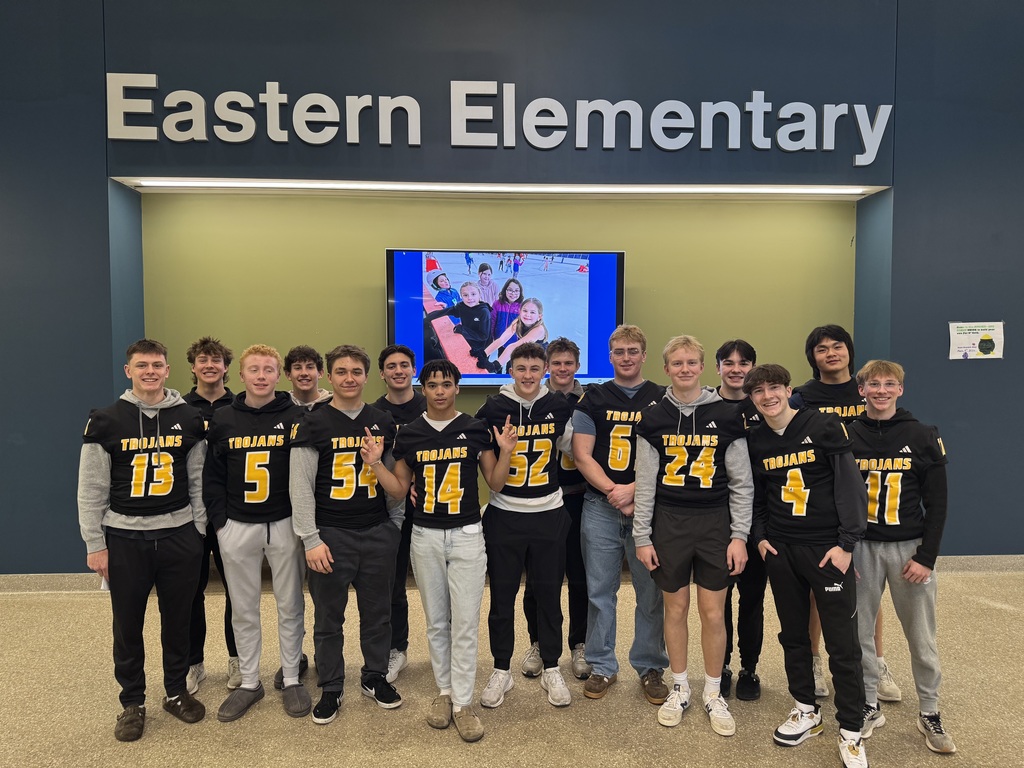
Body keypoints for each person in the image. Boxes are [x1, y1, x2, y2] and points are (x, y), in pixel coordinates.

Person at [372, 360, 516, 743]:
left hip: (468, 533)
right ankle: (445, 692)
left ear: (456, 387)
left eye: (446, 384)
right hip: (426, 535)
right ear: (423, 388)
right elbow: (400, 490)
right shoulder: (412, 433)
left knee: (465, 619)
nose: (439, 390)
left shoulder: (473, 427)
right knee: (437, 620)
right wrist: (374, 465)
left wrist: (505, 452)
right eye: (432, 384)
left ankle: (464, 701)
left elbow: (496, 484)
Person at [78, 338, 208, 741]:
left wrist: (199, 531)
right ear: (128, 371)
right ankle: (132, 701)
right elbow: (91, 488)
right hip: (125, 538)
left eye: (157, 364)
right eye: (141, 365)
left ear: (168, 371)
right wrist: (94, 544)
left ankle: (174, 691)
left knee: (179, 619)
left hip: (178, 535)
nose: (149, 371)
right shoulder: (105, 420)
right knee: (127, 624)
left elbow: (199, 480)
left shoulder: (189, 418)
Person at [744, 363, 868, 768]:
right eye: (758, 391)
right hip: (781, 549)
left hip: (826, 548)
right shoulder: (757, 438)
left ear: (788, 388)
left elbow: (850, 484)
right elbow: (760, 495)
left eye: (774, 387)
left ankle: (851, 728)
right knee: (794, 634)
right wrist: (761, 537)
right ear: (752, 398)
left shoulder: (824, 426)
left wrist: (847, 544)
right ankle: (806, 709)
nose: (767, 396)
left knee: (842, 642)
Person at [633, 335, 752, 736]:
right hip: (670, 522)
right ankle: (680, 686)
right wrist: (642, 537)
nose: (684, 369)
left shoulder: (727, 414)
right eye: (677, 363)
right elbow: (645, 484)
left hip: (715, 522)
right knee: (676, 608)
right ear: (665, 369)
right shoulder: (653, 417)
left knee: (713, 611)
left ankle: (713, 691)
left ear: (703, 367)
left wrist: (740, 536)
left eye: (691, 363)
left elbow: (741, 482)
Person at [289, 345, 404, 725]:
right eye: (341, 371)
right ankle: (332, 685)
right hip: (331, 534)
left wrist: (394, 525)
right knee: (328, 618)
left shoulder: (382, 420)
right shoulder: (314, 422)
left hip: (375, 530)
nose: (349, 378)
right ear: (330, 376)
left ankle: (374, 677)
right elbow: (301, 486)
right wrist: (310, 538)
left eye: (356, 371)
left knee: (378, 613)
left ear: (367, 376)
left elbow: (393, 476)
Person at [848, 360, 956, 754]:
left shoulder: (923, 434)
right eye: (872, 384)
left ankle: (929, 710)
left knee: (921, 636)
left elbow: (938, 502)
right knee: (859, 636)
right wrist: (846, 549)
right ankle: (869, 703)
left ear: (900, 390)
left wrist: (927, 556)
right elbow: (837, 497)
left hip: (909, 549)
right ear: (861, 390)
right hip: (861, 548)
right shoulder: (847, 435)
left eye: (888, 384)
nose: (880, 390)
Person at [792, 325, 900, 702]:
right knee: (819, 591)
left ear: (849, 351)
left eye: (837, 346)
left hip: (867, 501)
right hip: (821, 505)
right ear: (813, 357)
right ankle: (814, 660)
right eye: (822, 349)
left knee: (869, 591)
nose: (831, 353)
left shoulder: (868, 388)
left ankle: (876, 662)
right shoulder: (802, 397)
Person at [203, 344, 310, 722]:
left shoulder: (297, 416)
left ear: (278, 375)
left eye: (268, 369)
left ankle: (293, 676)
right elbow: (211, 474)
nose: (261, 376)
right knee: (243, 607)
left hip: (283, 523)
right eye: (254, 369)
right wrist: (220, 523)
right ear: (242, 375)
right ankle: (250, 681)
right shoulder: (224, 417)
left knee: (290, 603)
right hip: (238, 525)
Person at [572, 324, 669, 704]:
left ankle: (650, 666)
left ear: (644, 355)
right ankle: (601, 665)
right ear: (609, 356)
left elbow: (671, 456)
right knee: (599, 590)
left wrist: (635, 490)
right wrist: (614, 490)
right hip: (601, 506)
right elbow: (582, 454)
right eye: (619, 351)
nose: (626, 357)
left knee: (651, 591)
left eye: (633, 351)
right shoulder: (593, 397)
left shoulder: (663, 398)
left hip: (650, 509)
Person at [475, 343, 575, 709]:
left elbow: (571, 451)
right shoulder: (493, 408)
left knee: (548, 595)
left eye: (535, 368)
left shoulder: (559, 406)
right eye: (521, 368)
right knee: (502, 598)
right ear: (511, 370)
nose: (528, 375)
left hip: (549, 512)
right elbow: (493, 480)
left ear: (545, 368)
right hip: (505, 514)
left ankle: (551, 665)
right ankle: (501, 668)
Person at [521, 337, 591, 681]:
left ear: (577, 366)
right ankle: (537, 642)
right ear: (547, 366)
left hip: (579, 496)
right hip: (541, 501)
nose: (562, 369)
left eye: (569, 363)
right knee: (537, 579)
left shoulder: (591, 399)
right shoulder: (535, 400)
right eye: (556, 363)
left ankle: (580, 644)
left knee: (579, 576)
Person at [183, 336, 238, 693]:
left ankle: (238, 659)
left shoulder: (242, 405)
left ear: (226, 367)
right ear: (193, 367)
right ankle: (194, 663)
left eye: (216, 360)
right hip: (189, 514)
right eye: (203, 360)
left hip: (233, 512)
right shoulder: (180, 409)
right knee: (191, 591)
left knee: (238, 591)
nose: (209, 365)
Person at [714, 339, 768, 701]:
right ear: (717, 367)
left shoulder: (765, 407)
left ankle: (749, 666)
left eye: (744, 362)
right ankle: (721, 665)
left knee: (752, 597)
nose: (736, 368)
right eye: (729, 362)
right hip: (717, 518)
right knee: (718, 600)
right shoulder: (704, 405)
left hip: (760, 518)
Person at [373, 344, 428, 684]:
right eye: (391, 366)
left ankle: (447, 649)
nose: (398, 370)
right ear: (382, 373)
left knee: (438, 583)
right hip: (389, 508)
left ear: (413, 370)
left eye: (404, 365)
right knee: (391, 583)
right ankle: (397, 648)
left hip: (430, 506)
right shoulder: (373, 414)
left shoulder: (430, 405)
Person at [424, 281, 494, 370]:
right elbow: (447, 311)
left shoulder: (484, 312)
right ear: (461, 296)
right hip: (469, 340)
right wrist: (428, 318)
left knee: (479, 367)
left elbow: (483, 336)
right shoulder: (462, 306)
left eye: (473, 294)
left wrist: (463, 330)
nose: (470, 298)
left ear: (479, 294)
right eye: (465, 295)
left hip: (483, 346)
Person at [484, 298, 548, 373]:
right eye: (525, 311)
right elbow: (501, 340)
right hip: (527, 356)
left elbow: (515, 346)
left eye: (532, 312)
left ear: (539, 316)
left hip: (540, 359)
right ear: (519, 311)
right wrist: (483, 354)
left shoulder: (539, 329)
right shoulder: (517, 323)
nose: (528, 314)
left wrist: (496, 365)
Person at [284, 345, 332, 409]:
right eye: (298, 368)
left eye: (310, 367)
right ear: (288, 375)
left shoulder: (334, 405)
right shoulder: (280, 406)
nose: (304, 373)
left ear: (320, 373)